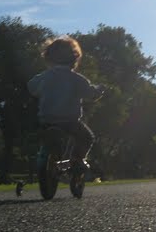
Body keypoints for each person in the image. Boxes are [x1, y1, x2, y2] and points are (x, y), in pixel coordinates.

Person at [27, 35, 103, 167]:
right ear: (74, 58)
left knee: (48, 140)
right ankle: (77, 160)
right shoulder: (77, 79)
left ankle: (47, 163)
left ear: (49, 58)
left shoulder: (44, 77)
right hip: (69, 121)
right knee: (87, 138)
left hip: (46, 121)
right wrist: (99, 90)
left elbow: (31, 87)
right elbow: (90, 94)